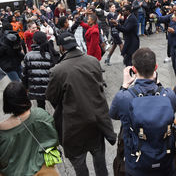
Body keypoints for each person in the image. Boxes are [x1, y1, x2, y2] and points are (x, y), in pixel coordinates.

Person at [46, 32, 116, 176]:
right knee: (100, 162)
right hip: (96, 121)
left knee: (80, 166)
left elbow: (52, 97)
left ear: (61, 48)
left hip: (73, 126)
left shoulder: (58, 70)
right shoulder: (92, 61)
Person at [109, 48, 176, 176]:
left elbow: (113, 114)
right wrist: (159, 84)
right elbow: (172, 109)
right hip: (165, 161)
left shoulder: (124, 97)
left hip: (136, 163)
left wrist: (124, 86)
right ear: (156, 67)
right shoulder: (169, 95)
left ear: (133, 69)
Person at [0, 82, 59, 176]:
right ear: (25, 96)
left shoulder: (2, 130)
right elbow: (53, 140)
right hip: (43, 171)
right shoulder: (40, 116)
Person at [22, 31, 59, 109]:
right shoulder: (51, 54)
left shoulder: (28, 56)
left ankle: (43, 120)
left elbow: (25, 74)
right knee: (57, 107)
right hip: (51, 88)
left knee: (41, 106)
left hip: (36, 89)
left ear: (34, 41)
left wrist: (25, 87)